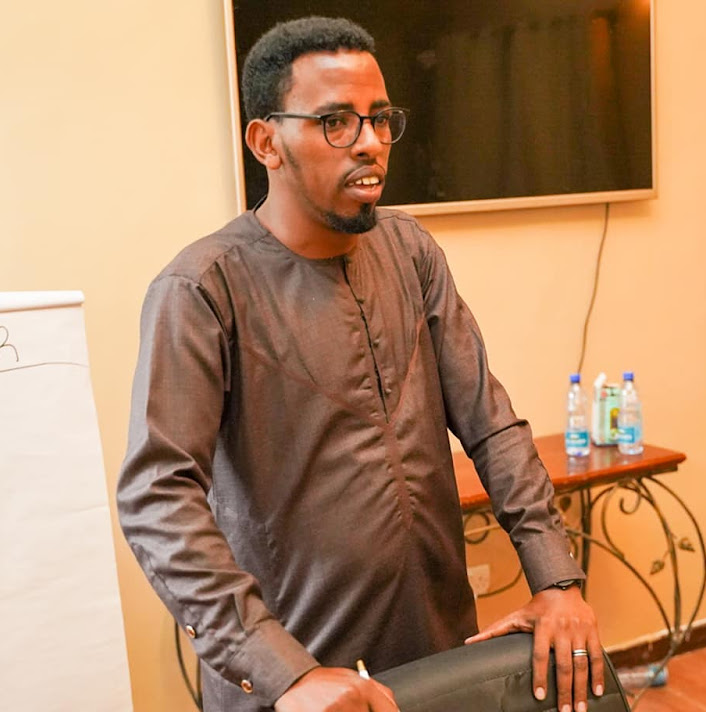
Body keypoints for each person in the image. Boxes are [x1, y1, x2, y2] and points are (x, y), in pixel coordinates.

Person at [117, 15, 603, 712]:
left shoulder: (410, 252)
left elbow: (490, 424)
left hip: (440, 654)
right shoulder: (201, 289)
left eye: (379, 119)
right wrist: (285, 671)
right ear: (267, 142)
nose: (371, 144)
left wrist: (556, 580)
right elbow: (157, 496)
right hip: (298, 681)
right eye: (336, 123)